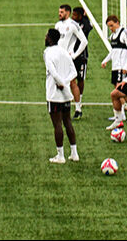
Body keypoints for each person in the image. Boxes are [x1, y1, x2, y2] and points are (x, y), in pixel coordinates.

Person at [43, 28, 79, 164]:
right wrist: (65, 82)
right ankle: (74, 153)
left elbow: (52, 71)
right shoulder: (64, 52)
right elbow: (73, 72)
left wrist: (61, 83)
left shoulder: (47, 53)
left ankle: (60, 155)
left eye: (46, 36)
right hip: (66, 95)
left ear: (50, 38)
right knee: (67, 121)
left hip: (54, 94)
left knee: (57, 124)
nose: (45, 38)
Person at [52, 3, 88, 109]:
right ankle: (62, 104)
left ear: (68, 13)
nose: (59, 14)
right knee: (59, 80)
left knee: (72, 82)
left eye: (62, 12)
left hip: (69, 58)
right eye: (59, 12)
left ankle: (78, 108)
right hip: (58, 58)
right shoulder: (57, 25)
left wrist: (75, 55)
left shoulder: (73, 25)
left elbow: (84, 41)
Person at [102, 14, 127, 130]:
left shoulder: (123, 33)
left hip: (121, 67)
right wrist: (105, 60)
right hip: (115, 67)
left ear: (117, 22)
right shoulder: (113, 35)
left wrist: (126, 65)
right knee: (118, 90)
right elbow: (113, 51)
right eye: (109, 26)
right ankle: (122, 115)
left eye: (112, 25)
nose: (111, 28)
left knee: (119, 91)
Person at [70, 6, 94, 120]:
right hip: (70, 54)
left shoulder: (85, 24)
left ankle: (80, 98)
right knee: (71, 79)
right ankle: (76, 99)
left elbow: (90, 27)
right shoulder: (70, 23)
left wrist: (86, 16)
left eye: (75, 15)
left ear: (81, 15)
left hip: (82, 56)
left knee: (80, 79)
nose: (73, 17)